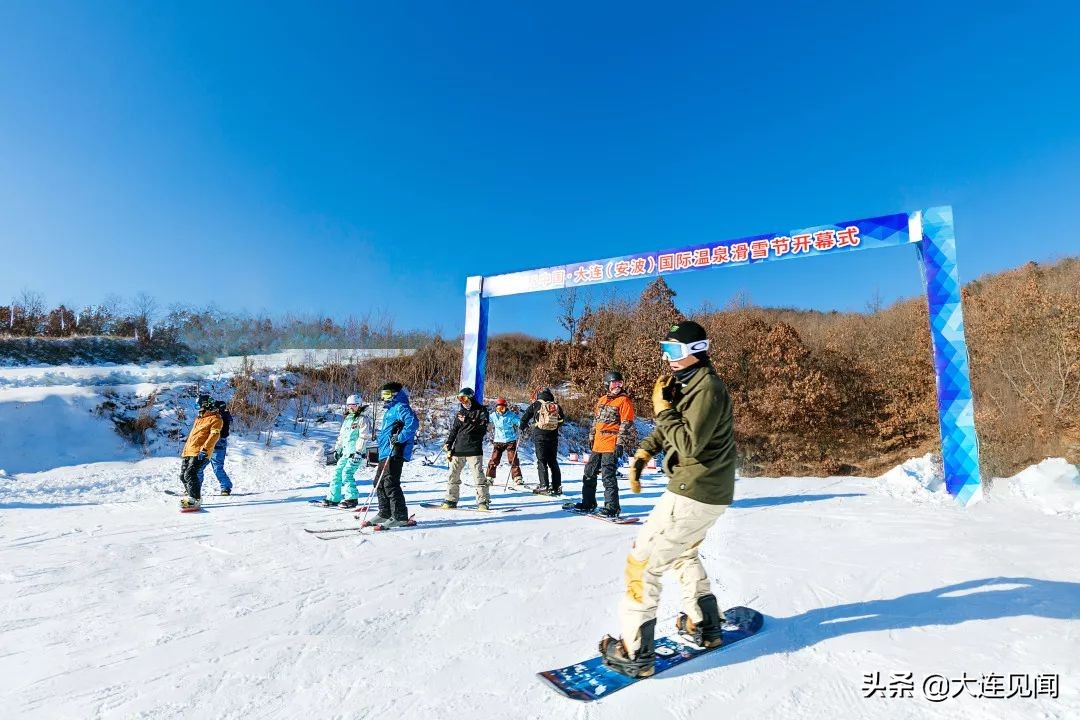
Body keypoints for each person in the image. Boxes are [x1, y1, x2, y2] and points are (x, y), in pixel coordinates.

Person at [597, 321, 737, 678]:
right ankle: (704, 624)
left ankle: (635, 651)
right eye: (665, 348)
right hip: (702, 491)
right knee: (683, 553)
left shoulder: (708, 387)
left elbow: (690, 442)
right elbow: (672, 428)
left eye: (674, 350)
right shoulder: (690, 385)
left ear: (697, 349)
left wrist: (661, 409)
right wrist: (645, 452)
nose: (667, 357)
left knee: (643, 562)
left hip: (694, 490)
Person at [566, 370, 636, 517]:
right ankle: (588, 503)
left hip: (611, 443)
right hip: (598, 443)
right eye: (614, 383)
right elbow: (596, 421)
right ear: (607, 384)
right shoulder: (602, 400)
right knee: (589, 473)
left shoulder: (624, 401)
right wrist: (591, 437)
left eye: (620, 383)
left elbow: (626, 424)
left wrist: (620, 443)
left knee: (607, 475)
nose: (618, 386)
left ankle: (612, 507)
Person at [364, 382, 419, 527]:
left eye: (387, 395)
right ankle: (385, 513)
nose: (384, 398)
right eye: (382, 395)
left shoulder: (401, 406)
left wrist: (400, 438)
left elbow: (413, 423)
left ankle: (400, 516)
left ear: (395, 394)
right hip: (385, 451)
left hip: (394, 451)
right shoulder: (390, 410)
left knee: (390, 483)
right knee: (379, 483)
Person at [440, 387, 491, 510]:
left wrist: (468, 420)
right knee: (453, 475)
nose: (463, 402)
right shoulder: (460, 413)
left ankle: (483, 502)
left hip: (474, 449)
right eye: (460, 399)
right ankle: (451, 500)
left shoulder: (481, 411)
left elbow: (482, 429)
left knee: (478, 477)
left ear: (471, 398)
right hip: (458, 449)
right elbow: (454, 430)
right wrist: (449, 443)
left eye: (464, 398)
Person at [319, 394, 372, 508]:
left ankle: (351, 498)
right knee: (337, 474)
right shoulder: (348, 419)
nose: (350, 408)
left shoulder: (363, 419)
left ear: (359, 405)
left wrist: (359, 452)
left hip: (355, 454)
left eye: (353, 405)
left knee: (346, 473)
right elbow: (341, 437)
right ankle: (333, 498)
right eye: (349, 405)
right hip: (345, 452)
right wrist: (337, 449)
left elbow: (363, 437)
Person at [179, 393, 225, 509]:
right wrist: (185, 451)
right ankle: (191, 495)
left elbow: (214, 435)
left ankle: (195, 499)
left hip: (200, 452)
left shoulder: (216, 419)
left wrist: (204, 449)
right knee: (183, 476)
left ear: (206, 405)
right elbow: (192, 437)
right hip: (189, 451)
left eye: (198, 405)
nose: (198, 408)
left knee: (190, 474)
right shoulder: (199, 419)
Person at [519, 388, 565, 496]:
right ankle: (557, 487)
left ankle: (544, 486)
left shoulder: (536, 404)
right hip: (553, 436)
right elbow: (562, 419)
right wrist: (554, 427)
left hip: (540, 436)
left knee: (542, 460)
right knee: (553, 461)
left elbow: (525, 418)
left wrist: (523, 427)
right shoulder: (555, 406)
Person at [196, 400, 233, 495]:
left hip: (219, 445)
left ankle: (226, 487)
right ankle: (195, 487)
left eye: (215, 408)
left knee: (217, 468)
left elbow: (221, 432)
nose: (213, 409)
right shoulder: (216, 416)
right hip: (209, 444)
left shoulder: (223, 417)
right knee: (199, 467)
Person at [486, 397, 524, 488]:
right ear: (496, 408)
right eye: (498, 408)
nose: (501, 410)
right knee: (494, 459)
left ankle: (517, 477)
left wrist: (522, 425)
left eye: (502, 408)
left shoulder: (511, 415)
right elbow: (486, 420)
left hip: (510, 440)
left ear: (506, 407)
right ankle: (489, 477)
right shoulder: (493, 415)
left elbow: (519, 422)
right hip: (498, 441)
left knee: (513, 459)